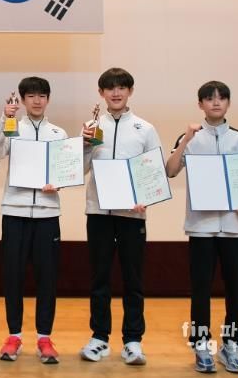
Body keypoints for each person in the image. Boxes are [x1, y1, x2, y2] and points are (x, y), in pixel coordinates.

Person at [165, 80, 238, 374]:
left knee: (235, 290)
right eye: (209, 98)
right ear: (200, 104)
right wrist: (186, 140)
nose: (216, 102)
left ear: (228, 103)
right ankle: (201, 345)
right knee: (200, 289)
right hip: (201, 228)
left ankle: (232, 345)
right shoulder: (190, 138)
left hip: (234, 228)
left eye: (221, 98)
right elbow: (170, 171)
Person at [79, 68, 162, 365]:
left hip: (132, 215)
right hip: (98, 212)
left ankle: (133, 341)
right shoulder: (92, 126)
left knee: (133, 279)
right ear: (101, 93)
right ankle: (99, 337)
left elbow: (154, 171)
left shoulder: (145, 129)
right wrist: (84, 144)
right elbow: (79, 170)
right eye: (110, 88)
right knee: (99, 277)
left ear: (130, 91)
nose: (116, 93)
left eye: (122, 87)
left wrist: (145, 198)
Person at [0, 77, 66, 364]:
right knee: (13, 277)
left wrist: (59, 181)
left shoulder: (58, 133)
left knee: (47, 278)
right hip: (14, 211)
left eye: (42, 95)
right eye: (31, 96)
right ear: (22, 100)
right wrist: (3, 120)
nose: (37, 100)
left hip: (47, 214)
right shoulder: (13, 127)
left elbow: (66, 170)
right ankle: (14, 336)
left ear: (48, 99)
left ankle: (44, 338)